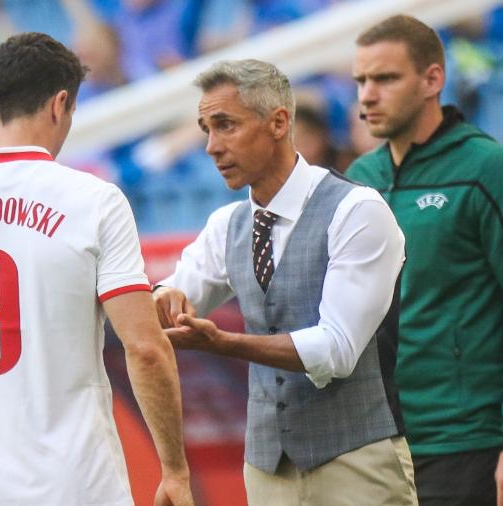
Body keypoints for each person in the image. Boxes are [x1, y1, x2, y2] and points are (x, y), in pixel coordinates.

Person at [0, 32, 193, 506]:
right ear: (62, 104)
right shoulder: (94, 201)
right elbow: (146, 349)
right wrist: (174, 469)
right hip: (74, 482)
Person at [153, 59, 416, 504]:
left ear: (278, 123)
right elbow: (177, 289)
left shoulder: (357, 211)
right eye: (206, 129)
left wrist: (225, 343)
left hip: (357, 463)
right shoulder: (227, 224)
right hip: (266, 470)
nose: (211, 147)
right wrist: (165, 296)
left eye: (225, 125)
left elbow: (336, 350)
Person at [347, 15, 503, 506]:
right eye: (360, 81)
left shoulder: (491, 171)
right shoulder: (359, 178)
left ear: (433, 79)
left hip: (474, 441)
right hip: (381, 443)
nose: (367, 95)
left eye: (385, 78)